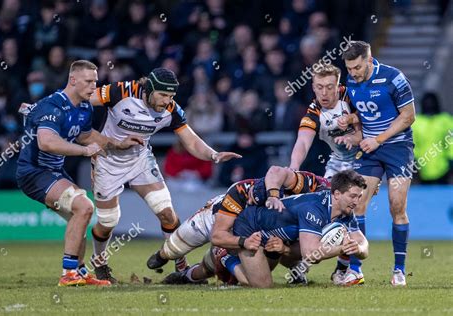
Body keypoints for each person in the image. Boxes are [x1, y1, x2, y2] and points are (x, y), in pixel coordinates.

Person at [88, 68, 241, 283]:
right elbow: (83, 97)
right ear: (149, 89)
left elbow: (191, 140)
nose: (166, 101)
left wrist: (213, 155)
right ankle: (99, 262)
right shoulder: (121, 91)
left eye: (171, 96)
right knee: (107, 221)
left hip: (140, 160)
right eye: (162, 95)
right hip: (108, 160)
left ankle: (180, 265)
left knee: (167, 214)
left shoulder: (171, 109)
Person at [16, 60, 142, 286]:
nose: (94, 86)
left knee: (81, 214)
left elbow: (87, 135)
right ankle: (68, 274)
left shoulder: (84, 107)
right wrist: (85, 152)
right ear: (72, 80)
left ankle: (80, 271)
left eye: (95, 81)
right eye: (88, 81)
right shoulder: (52, 107)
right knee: (84, 207)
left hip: (54, 171)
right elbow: (47, 142)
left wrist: (117, 144)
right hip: (34, 173)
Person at [148, 167, 330, 284]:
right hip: (220, 218)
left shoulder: (312, 187)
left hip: (258, 232)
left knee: (276, 252)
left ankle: (190, 275)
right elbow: (218, 235)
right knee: (174, 248)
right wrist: (242, 241)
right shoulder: (239, 193)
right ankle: (165, 255)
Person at [336, 41, 416, 286]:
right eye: (349, 68)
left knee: (396, 205)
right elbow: (367, 113)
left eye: (357, 67)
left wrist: (378, 139)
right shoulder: (350, 82)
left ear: (369, 61)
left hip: (398, 147)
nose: (353, 73)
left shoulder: (394, 78)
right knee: (355, 203)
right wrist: (350, 119)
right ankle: (355, 269)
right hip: (370, 149)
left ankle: (399, 270)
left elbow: (409, 116)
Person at [230, 170, 369, 288]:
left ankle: (285, 258)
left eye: (359, 197)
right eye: (352, 196)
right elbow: (310, 254)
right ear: (337, 194)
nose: (356, 202)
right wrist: (342, 248)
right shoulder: (314, 208)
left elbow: (363, 244)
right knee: (262, 285)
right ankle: (226, 258)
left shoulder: (346, 212)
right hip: (251, 227)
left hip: (279, 239)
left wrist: (358, 249)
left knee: (314, 249)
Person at [289, 63, 359, 178]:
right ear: (313, 88)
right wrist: (294, 167)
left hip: (368, 152)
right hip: (340, 158)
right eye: (320, 87)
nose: (324, 93)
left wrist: (353, 133)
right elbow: (302, 142)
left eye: (330, 87)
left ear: (338, 86)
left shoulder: (352, 96)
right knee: (330, 192)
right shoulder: (314, 112)